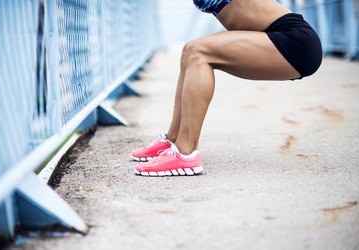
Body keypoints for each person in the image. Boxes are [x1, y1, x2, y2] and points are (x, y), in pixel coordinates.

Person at [131, 0, 322, 177]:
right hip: (282, 39)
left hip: (294, 41)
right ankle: (173, 139)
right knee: (190, 51)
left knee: (199, 52)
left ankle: (185, 153)